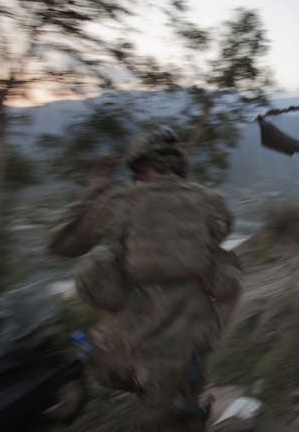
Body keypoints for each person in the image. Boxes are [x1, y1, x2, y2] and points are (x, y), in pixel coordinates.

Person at [49, 126, 240, 432]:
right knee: (184, 409)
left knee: (153, 412)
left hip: (132, 345)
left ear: (137, 166)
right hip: (193, 340)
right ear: (177, 164)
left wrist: (95, 188)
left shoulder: (119, 203)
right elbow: (222, 232)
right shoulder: (210, 202)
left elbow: (61, 243)